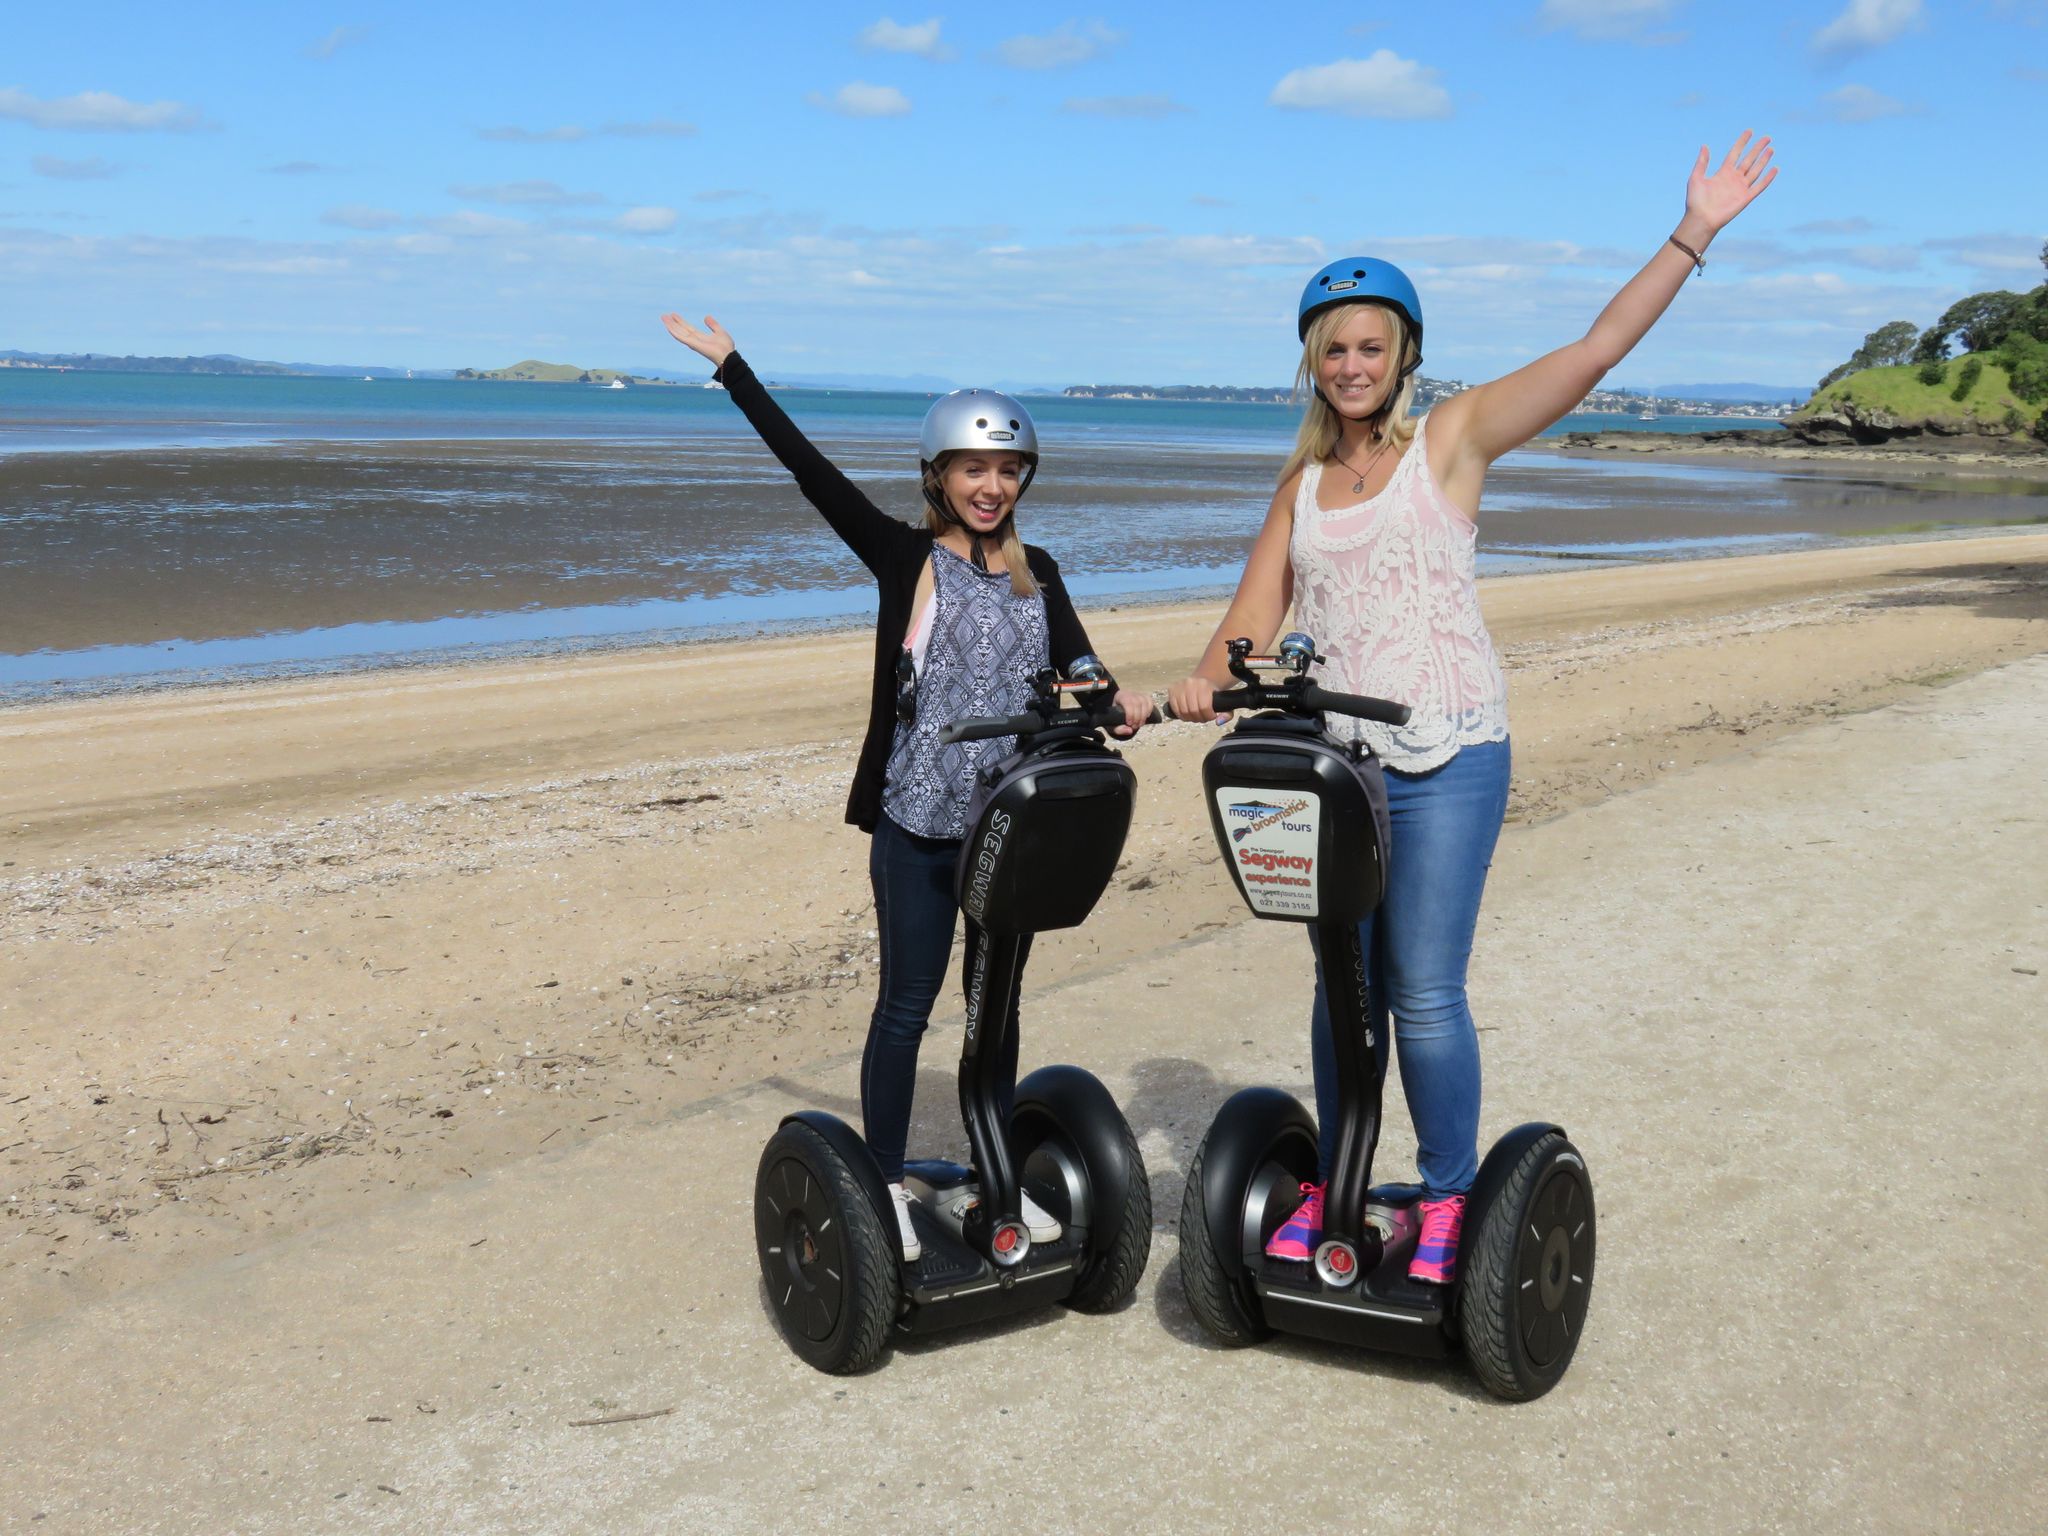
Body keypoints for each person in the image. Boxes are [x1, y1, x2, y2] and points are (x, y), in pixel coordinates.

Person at [1167, 132, 1777, 1283]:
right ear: (1311, 363)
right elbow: (1247, 619)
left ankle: (1445, 1196)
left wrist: (1691, 232)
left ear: (1403, 353)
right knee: (1341, 990)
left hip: (1446, 757)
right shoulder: (1301, 487)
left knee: (1420, 989)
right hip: (1335, 771)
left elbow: (1592, 351)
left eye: (1370, 345)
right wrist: (1195, 684)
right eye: (1333, 349)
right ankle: (1341, 1182)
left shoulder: (1449, 442)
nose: (1351, 364)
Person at [661, 310, 1153, 1263]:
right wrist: (734, 370)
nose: (991, 486)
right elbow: (810, 472)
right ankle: (883, 1183)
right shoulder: (905, 558)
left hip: (1011, 826)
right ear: (939, 475)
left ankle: (995, 1175)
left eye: (1006, 470)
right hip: (918, 826)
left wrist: (1114, 698)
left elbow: (1083, 669)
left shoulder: (1040, 574)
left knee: (995, 1010)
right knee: (906, 1007)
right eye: (973, 469)